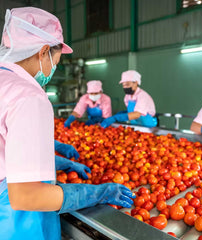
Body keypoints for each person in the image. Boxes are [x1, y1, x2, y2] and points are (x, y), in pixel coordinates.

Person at [0, 7, 134, 240]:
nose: (53, 69)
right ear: (43, 52)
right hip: (15, 222)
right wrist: (95, 193)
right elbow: (26, 196)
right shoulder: (29, 96)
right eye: (56, 61)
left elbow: (9, 150)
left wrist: (60, 162)